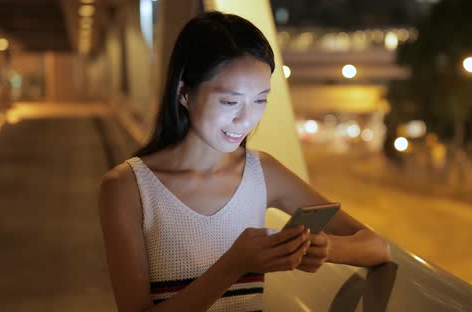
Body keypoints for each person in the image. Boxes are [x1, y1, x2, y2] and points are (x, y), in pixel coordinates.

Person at [98, 11, 391, 312]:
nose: (246, 119)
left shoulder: (261, 171)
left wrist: (326, 248)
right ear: (184, 93)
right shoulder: (127, 188)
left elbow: (376, 245)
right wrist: (235, 265)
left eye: (260, 100)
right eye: (229, 101)